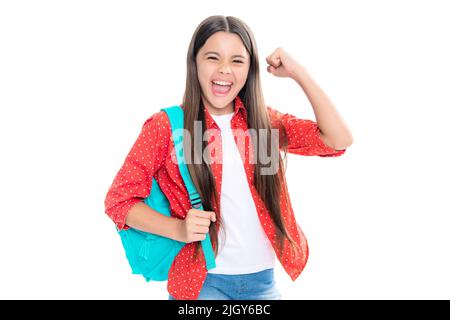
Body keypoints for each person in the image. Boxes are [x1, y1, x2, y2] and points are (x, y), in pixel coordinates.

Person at [104, 15, 353, 300]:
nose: (224, 70)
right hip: (201, 284)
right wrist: (179, 229)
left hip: (263, 283)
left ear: (250, 69)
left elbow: (337, 140)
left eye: (237, 61)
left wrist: (297, 72)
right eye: (213, 57)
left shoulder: (263, 124)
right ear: (194, 62)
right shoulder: (168, 126)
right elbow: (119, 201)